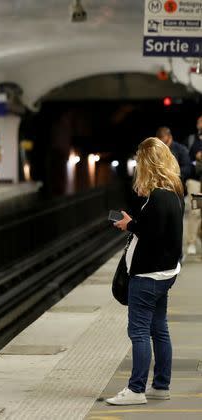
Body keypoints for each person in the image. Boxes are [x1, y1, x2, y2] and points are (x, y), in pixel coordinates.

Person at [108, 137, 184, 406]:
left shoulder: (159, 198)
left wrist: (129, 224)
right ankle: (161, 386)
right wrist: (137, 221)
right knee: (159, 329)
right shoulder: (172, 193)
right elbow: (159, 231)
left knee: (139, 332)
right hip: (164, 273)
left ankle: (136, 390)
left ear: (147, 165)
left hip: (148, 276)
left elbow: (150, 235)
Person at [185, 116, 202, 256]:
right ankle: (191, 242)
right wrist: (196, 158)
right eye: (200, 122)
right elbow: (186, 160)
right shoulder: (192, 140)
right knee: (196, 210)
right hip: (196, 182)